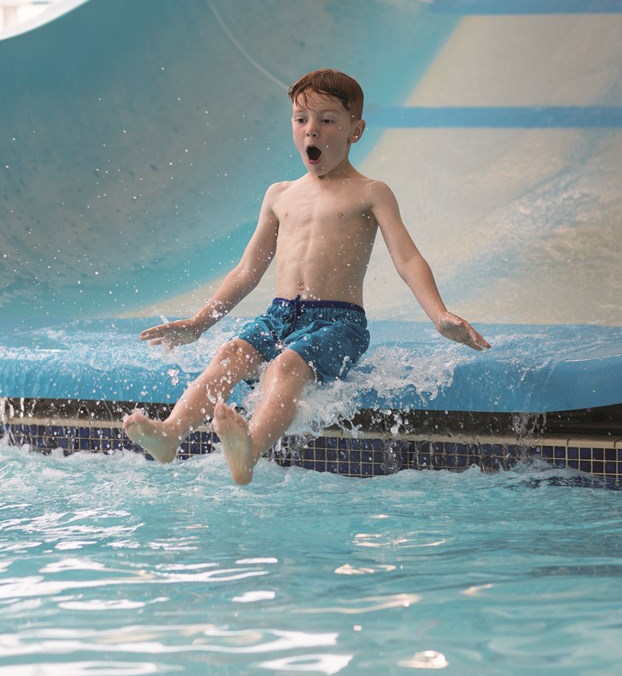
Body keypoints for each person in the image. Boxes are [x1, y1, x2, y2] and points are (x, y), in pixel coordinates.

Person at [124, 68, 490, 484]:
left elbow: (407, 259)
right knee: (228, 356)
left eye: (327, 120)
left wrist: (439, 314)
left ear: (356, 130)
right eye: (301, 120)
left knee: (285, 367)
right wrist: (198, 323)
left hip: (339, 321)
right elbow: (247, 271)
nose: (311, 131)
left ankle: (250, 448)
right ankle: (171, 435)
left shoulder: (371, 192)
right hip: (279, 315)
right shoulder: (280, 195)